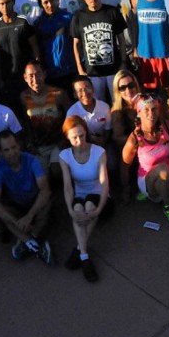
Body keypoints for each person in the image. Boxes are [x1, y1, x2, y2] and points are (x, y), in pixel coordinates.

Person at [122, 93, 169, 226]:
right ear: (139, 113)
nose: (151, 113)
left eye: (154, 109)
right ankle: (168, 206)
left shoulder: (166, 127)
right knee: (163, 170)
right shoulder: (134, 138)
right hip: (147, 179)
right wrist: (126, 190)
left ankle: (166, 194)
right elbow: (125, 165)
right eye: (146, 110)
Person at [0, 131, 53, 265]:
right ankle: (35, 243)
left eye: (13, 147)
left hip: (34, 205)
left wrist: (29, 216)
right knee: (1, 211)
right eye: (6, 150)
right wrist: (16, 221)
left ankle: (27, 241)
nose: (12, 153)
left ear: (18, 146)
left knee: (47, 201)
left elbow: (45, 190)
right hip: (17, 208)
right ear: (1, 152)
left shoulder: (32, 160)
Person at [58, 115, 109, 282]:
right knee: (79, 209)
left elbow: (104, 183)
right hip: (80, 194)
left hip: (98, 195)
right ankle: (84, 255)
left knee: (89, 206)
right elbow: (67, 186)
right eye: (74, 137)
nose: (79, 140)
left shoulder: (99, 152)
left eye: (82, 135)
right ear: (67, 137)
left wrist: (101, 207)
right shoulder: (64, 156)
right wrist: (70, 210)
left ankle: (80, 251)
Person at [70, 0, 128, 102]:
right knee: (97, 103)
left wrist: (123, 62)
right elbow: (76, 45)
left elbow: (121, 39)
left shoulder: (112, 12)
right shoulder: (78, 16)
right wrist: (80, 69)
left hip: (113, 68)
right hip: (92, 71)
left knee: (118, 101)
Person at [20, 61, 71, 182]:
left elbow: (72, 118)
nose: (35, 79)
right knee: (39, 177)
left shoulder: (59, 94)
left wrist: (65, 141)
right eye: (31, 76)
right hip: (39, 147)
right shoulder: (23, 97)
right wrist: (30, 144)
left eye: (38, 74)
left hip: (58, 144)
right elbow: (26, 123)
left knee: (56, 171)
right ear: (25, 78)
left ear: (44, 74)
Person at [0, 0, 38, 111]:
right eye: (2, 4)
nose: (5, 6)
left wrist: (37, 73)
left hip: (26, 78)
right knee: (14, 112)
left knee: (31, 111)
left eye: (8, 3)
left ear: (13, 2)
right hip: (8, 79)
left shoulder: (23, 22)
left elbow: (35, 48)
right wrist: (0, 78)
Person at [129, 0, 169, 91]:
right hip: (145, 54)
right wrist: (135, 49)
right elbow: (133, 26)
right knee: (149, 94)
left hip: (165, 54)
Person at [33, 0, 76, 91]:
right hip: (50, 75)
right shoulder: (37, 24)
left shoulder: (68, 18)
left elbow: (77, 44)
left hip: (70, 71)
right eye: (45, 2)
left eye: (51, 0)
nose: (50, 4)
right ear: (41, 5)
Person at [109, 69, 140, 155]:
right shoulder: (117, 111)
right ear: (117, 91)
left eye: (131, 85)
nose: (128, 90)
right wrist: (142, 141)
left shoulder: (146, 101)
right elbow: (119, 138)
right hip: (132, 150)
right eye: (123, 88)